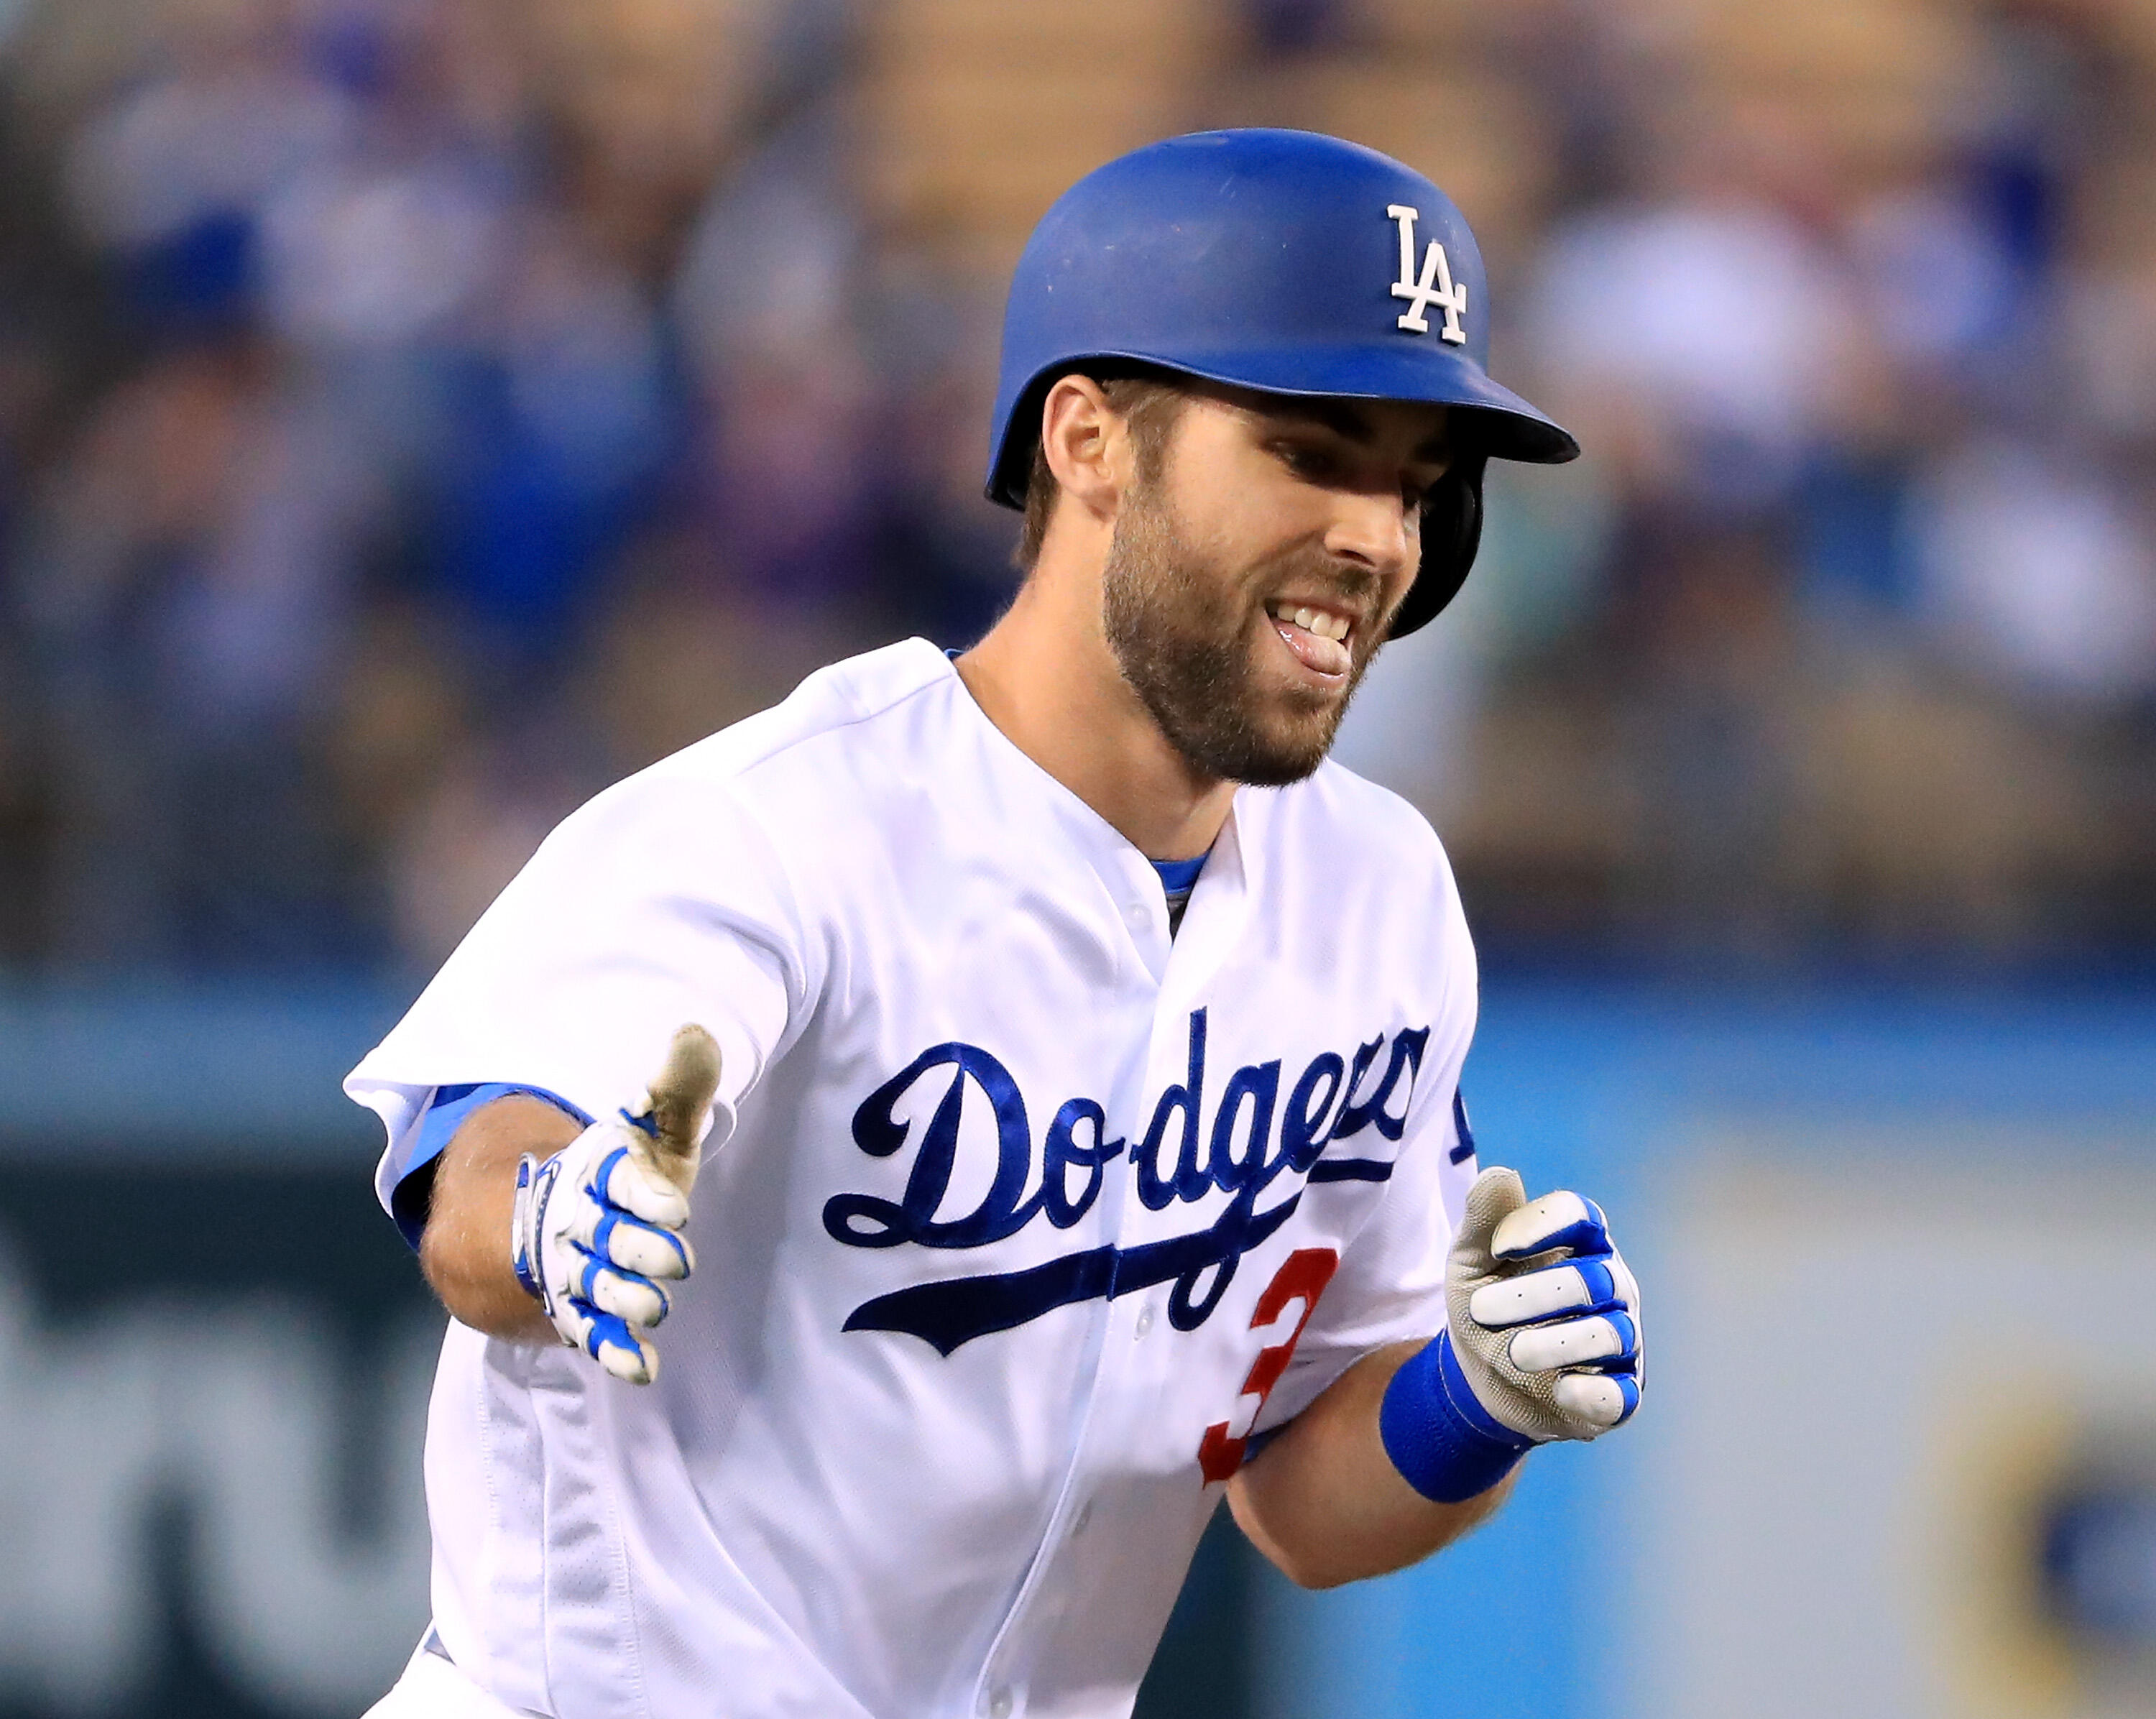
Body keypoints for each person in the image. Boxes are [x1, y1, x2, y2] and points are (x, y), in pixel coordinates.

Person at [346, 128, 1644, 1719]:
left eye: (1418, 484)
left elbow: (1299, 1500)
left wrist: (1477, 1398)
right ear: (1090, 438)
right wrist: (554, 1212)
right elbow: (479, 1172)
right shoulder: (782, 822)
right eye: (1314, 450)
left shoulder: (1379, 897)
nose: (1381, 536)